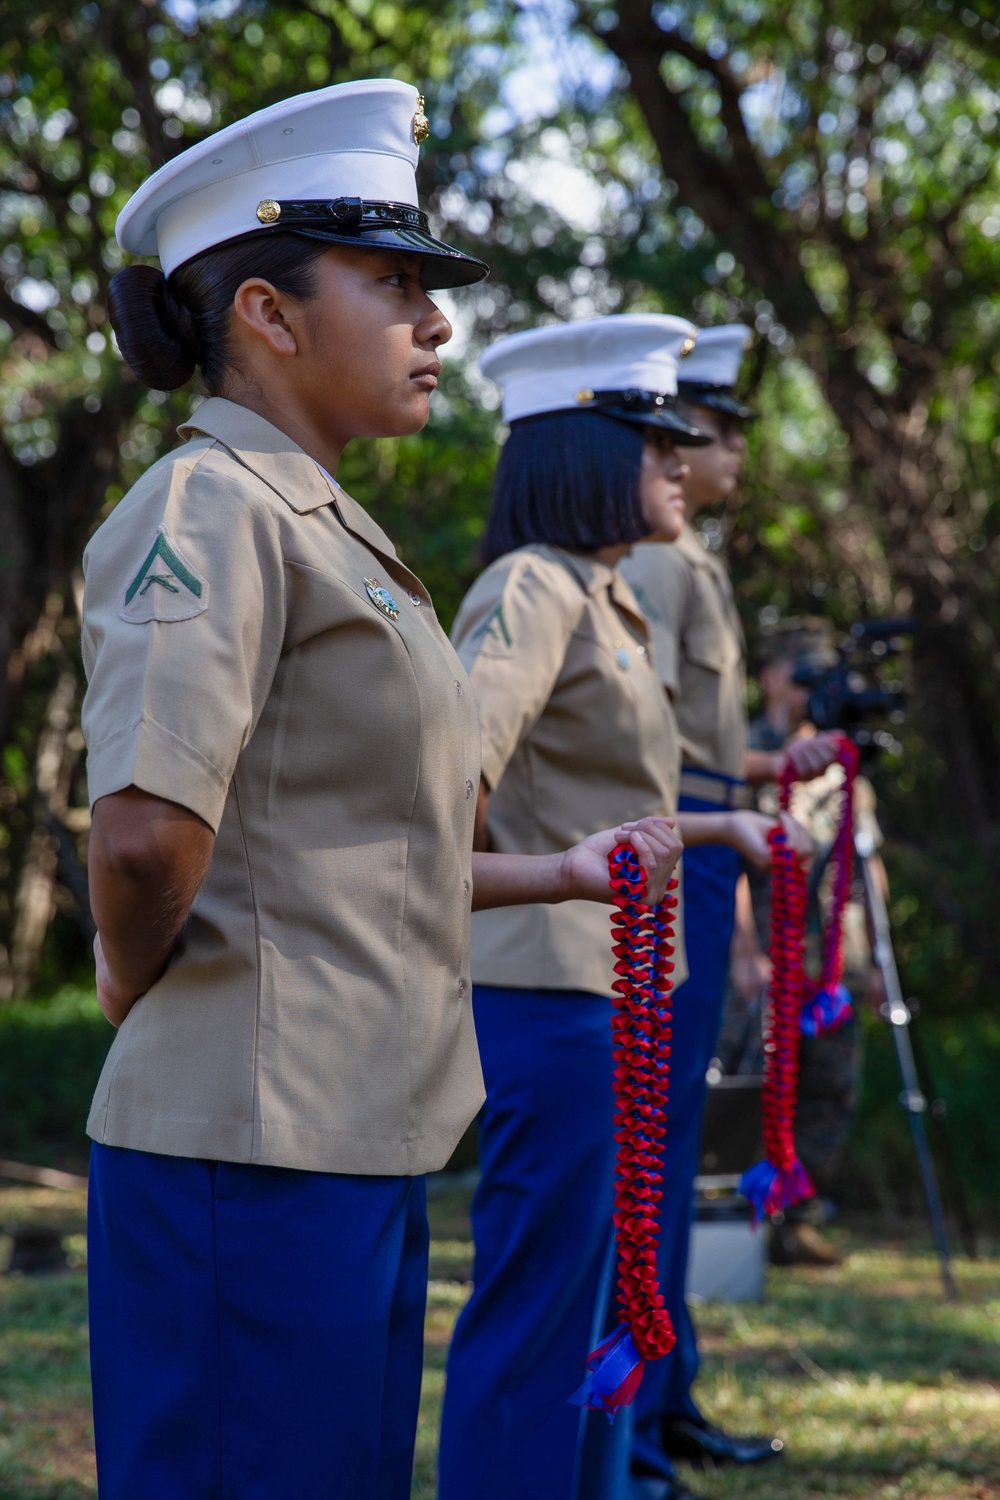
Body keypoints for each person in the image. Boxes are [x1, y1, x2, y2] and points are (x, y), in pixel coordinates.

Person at [82, 81, 682, 1500]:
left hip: (347, 1123)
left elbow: (352, 851)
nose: (437, 325)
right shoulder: (211, 504)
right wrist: (127, 979)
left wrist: (556, 874)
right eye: (393, 282)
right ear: (267, 318)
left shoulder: (331, 526)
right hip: (247, 1133)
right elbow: (147, 833)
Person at [436, 316, 810, 1500]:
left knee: (606, 1299)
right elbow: (448, 787)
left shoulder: (598, 593)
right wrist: (525, 889)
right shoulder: (532, 588)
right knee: (543, 1305)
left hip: (616, 991)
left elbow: (609, 799)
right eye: (651, 440)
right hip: (549, 996)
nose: (678, 458)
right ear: (583, 455)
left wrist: (718, 827)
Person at [620, 326, 840, 1488]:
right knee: (653, 1141)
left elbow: (698, 749)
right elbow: (644, 756)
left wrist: (765, 772)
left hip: (710, 847)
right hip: (682, 863)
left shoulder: (691, 559)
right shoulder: (657, 563)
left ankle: (669, 1394)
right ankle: (643, 1419)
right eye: (712, 430)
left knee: (670, 1137)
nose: (731, 450)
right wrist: (729, 903)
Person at [721, 620, 889, 1267]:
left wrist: (876, 958)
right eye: (801, 676)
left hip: (832, 960)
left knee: (829, 1090)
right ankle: (738, 1220)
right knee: (750, 1083)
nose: (809, 692)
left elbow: (865, 862)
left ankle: (797, 1219)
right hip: (766, 952)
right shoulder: (740, 751)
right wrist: (741, 952)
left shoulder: (842, 763)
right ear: (769, 678)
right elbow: (723, 863)